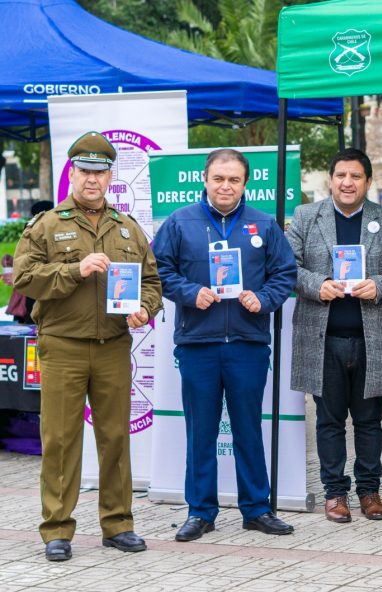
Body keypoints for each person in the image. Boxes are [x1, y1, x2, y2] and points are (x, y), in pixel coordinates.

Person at [13, 131, 162, 561]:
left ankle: (117, 524)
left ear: (110, 176)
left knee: (115, 436)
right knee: (60, 439)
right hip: (63, 346)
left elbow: (151, 283)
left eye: (100, 172)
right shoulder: (46, 225)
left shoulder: (128, 228)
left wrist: (144, 311)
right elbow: (23, 279)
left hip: (114, 345)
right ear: (72, 173)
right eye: (85, 171)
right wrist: (74, 270)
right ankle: (57, 529)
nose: (92, 179)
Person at [152, 149, 297, 542]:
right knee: (201, 431)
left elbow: (285, 273)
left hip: (247, 346)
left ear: (246, 183)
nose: (226, 186)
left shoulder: (263, 224)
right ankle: (200, 512)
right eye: (219, 178)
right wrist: (189, 292)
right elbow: (158, 271)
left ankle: (257, 509)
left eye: (234, 179)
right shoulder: (180, 222)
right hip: (198, 344)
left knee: (249, 428)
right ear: (205, 178)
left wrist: (263, 299)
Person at [287, 148, 382, 523]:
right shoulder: (307, 217)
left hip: (371, 338)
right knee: (328, 420)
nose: (347, 182)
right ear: (330, 179)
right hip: (321, 339)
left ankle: (369, 492)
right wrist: (316, 284)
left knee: (370, 420)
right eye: (341, 175)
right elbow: (286, 266)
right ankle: (334, 493)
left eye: (356, 176)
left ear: (368, 182)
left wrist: (379, 285)